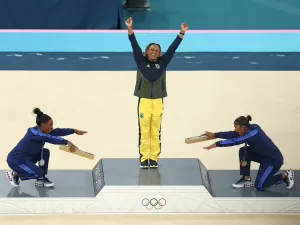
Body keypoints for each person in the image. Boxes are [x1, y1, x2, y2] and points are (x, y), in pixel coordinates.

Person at [125, 17, 188, 169]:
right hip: (144, 101)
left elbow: (172, 48)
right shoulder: (140, 60)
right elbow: (134, 45)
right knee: (144, 129)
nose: (154, 52)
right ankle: (143, 157)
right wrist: (129, 28)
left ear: (160, 54)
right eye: (151, 49)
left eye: (157, 51)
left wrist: (181, 33)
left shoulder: (163, 62)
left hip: (158, 101)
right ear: (146, 52)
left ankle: (153, 158)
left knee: (155, 130)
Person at [202, 115, 294, 191]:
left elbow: (235, 141)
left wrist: (217, 144)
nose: (235, 129)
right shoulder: (246, 129)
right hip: (261, 155)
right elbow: (232, 134)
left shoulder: (254, 132)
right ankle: (246, 179)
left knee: (259, 186)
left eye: (236, 127)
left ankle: (284, 175)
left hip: (272, 161)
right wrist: (214, 135)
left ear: (243, 127)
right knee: (243, 151)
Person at [6, 108, 87, 188]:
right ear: (43, 125)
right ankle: (15, 173)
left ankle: (41, 179)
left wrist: (75, 131)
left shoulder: (44, 131)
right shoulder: (33, 132)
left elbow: (58, 131)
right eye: (50, 125)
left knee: (45, 152)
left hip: (27, 158)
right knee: (38, 173)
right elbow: (49, 138)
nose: (52, 127)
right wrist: (67, 142)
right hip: (16, 160)